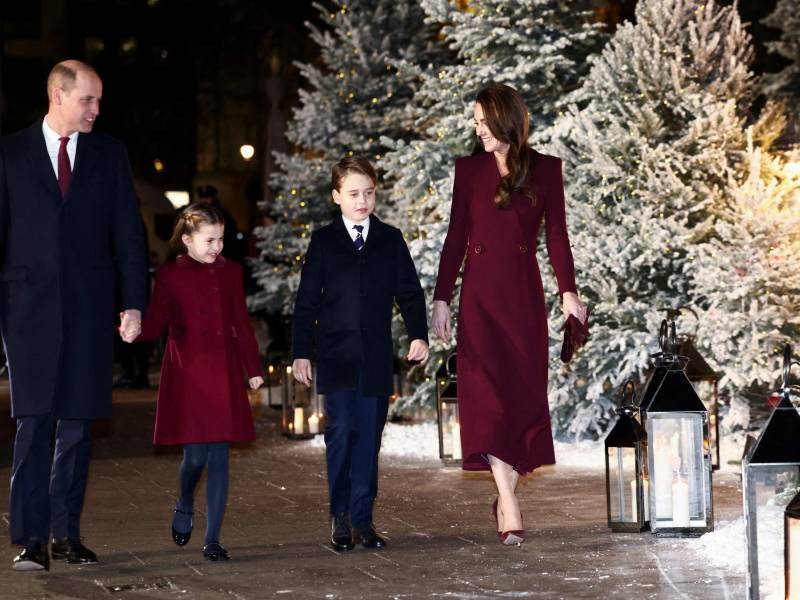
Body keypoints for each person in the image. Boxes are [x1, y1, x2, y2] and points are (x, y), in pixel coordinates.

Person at [0, 60, 147, 571]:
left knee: (78, 429)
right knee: (34, 425)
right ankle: (31, 539)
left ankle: (67, 534)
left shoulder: (109, 155)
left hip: (88, 312)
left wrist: (133, 303)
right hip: (27, 313)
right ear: (58, 96)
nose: (96, 110)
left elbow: (128, 234)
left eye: (99, 100)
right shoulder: (9, 153)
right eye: (88, 100)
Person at [431, 83, 587, 546]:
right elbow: (456, 236)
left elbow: (557, 236)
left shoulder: (545, 170)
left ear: (505, 121)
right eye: (475, 121)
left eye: (483, 121)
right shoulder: (469, 170)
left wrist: (568, 292)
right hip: (479, 299)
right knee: (488, 400)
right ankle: (510, 503)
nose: (477, 129)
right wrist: (442, 298)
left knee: (521, 400)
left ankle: (505, 492)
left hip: (522, 298)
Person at [292, 156, 429, 551]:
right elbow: (306, 304)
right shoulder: (323, 242)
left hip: (374, 359)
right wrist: (302, 352)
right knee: (340, 434)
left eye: (368, 193)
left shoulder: (390, 239)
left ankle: (363, 519)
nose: (362, 201)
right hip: (335, 357)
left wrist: (417, 334)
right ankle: (340, 516)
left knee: (369, 438)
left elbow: (409, 292)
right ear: (337, 197)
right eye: (353, 194)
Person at [121, 203, 264, 561]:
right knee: (195, 457)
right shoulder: (170, 275)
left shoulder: (230, 272)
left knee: (219, 457)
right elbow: (155, 322)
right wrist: (133, 330)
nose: (217, 247)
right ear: (187, 240)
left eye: (221, 240)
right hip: (188, 371)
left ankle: (213, 538)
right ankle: (185, 501)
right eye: (210, 240)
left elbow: (241, 322)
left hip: (223, 368)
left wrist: (253, 366)